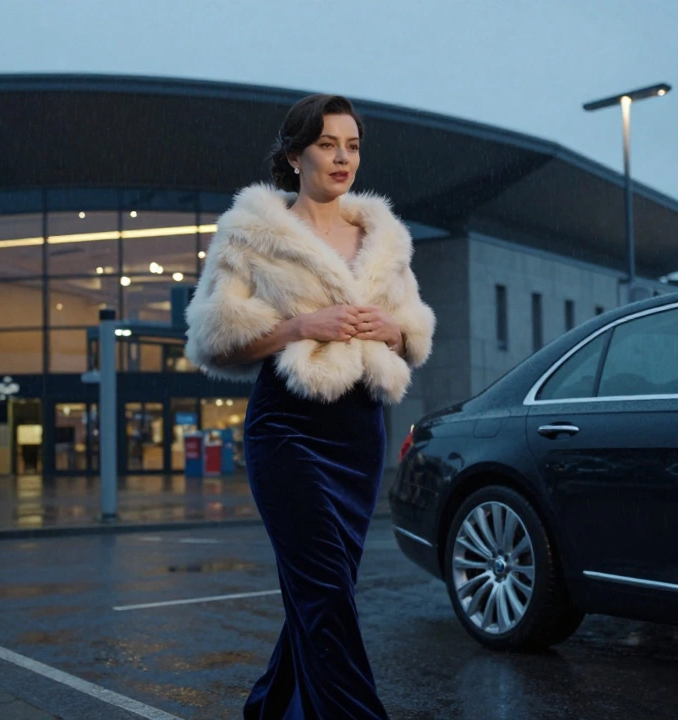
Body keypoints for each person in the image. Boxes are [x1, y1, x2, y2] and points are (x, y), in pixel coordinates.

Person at [184, 94, 435, 720]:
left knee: (324, 595)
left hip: (359, 433)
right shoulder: (252, 231)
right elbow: (215, 340)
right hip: (288, 429)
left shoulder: (384, 238)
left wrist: (391, 331)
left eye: (352, 145)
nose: (343, 157)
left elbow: (413, 336)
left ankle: (269, 708)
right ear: (295, 155)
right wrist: (302, 325)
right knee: (323, 596)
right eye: (328, 144)